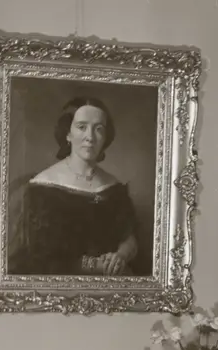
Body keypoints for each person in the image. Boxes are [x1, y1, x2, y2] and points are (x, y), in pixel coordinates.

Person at [10, 96, 144, 276]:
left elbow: (129, 238)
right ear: (68, 133)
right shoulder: (42, 188)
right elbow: (41, 256)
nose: (90, 137)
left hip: (111, 281)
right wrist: (96, 265)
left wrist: (120, 256)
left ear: (106, 137)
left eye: (99, 129)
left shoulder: (114, 188)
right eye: (82, 127)